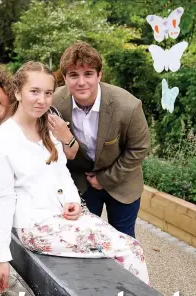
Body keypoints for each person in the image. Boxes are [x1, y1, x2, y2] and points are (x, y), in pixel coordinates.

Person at [0, 61, 151, 292]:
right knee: (128, 249)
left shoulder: (47, 125)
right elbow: (3, 199)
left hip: (64, 215)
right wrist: (2, 258)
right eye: (34, 92)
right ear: (17, 92)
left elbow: (62, 171)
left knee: (127, 246)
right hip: (36, 226)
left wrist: (73, 201)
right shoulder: (3, 140)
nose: (41, 100)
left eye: (47, 93)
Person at [0, 60, 79, 276]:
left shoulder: (43, 110)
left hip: (66, 203)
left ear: (6, 88)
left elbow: (68, 157)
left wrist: (67, 137)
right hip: (34, 220)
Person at [52, 42, 151, 238]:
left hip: (122, 181)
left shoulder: (128, 105)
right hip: (80, 180)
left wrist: (104, 179)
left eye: (88, 74)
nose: (81, 82)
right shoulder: (53, 103)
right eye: (73, 75)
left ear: (99, 75)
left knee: (123, 241)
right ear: (64, 78)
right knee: (82, 238)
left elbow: (140, 148)